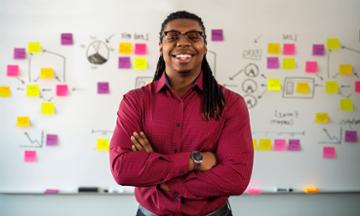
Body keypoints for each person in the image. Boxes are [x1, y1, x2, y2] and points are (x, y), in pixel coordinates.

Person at [110, 11, 254, 216]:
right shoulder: (135, 102)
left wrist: (163, 177)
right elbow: (122, 169)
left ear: (204, 47)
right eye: (173, 36)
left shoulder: (230, 104)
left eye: (194, 36)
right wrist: (194, 160)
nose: (183, 42)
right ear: (161, 46)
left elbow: (235, 178)